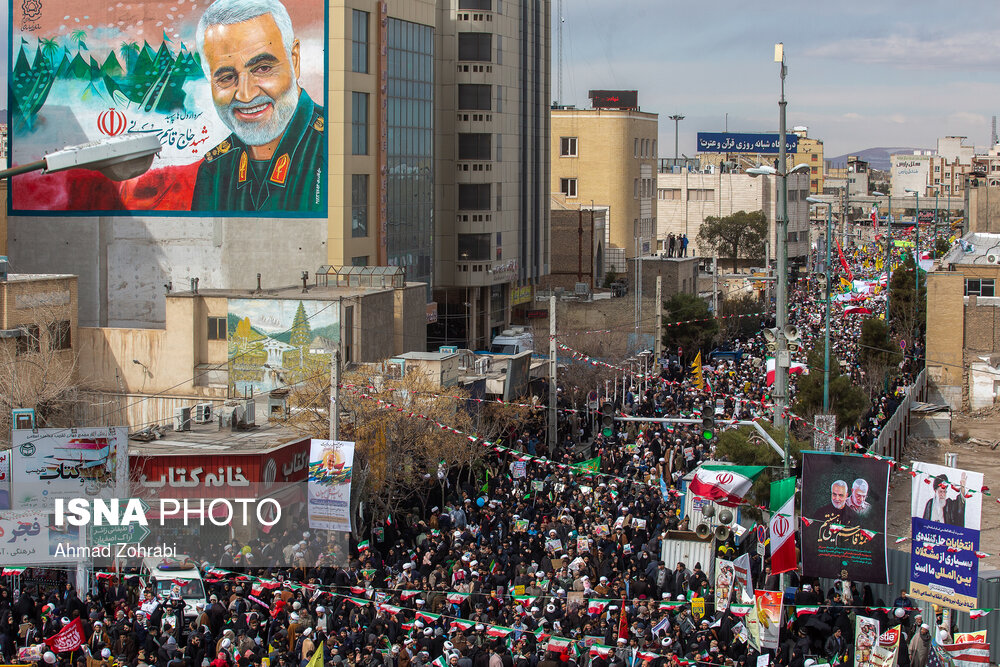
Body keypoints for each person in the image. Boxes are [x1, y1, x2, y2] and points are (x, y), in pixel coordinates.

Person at [192, 0, 325, 212]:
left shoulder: (334, 147)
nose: (245, 95)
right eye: (226, 77)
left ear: (295, 61)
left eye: (262, 68)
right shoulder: (214, 171)